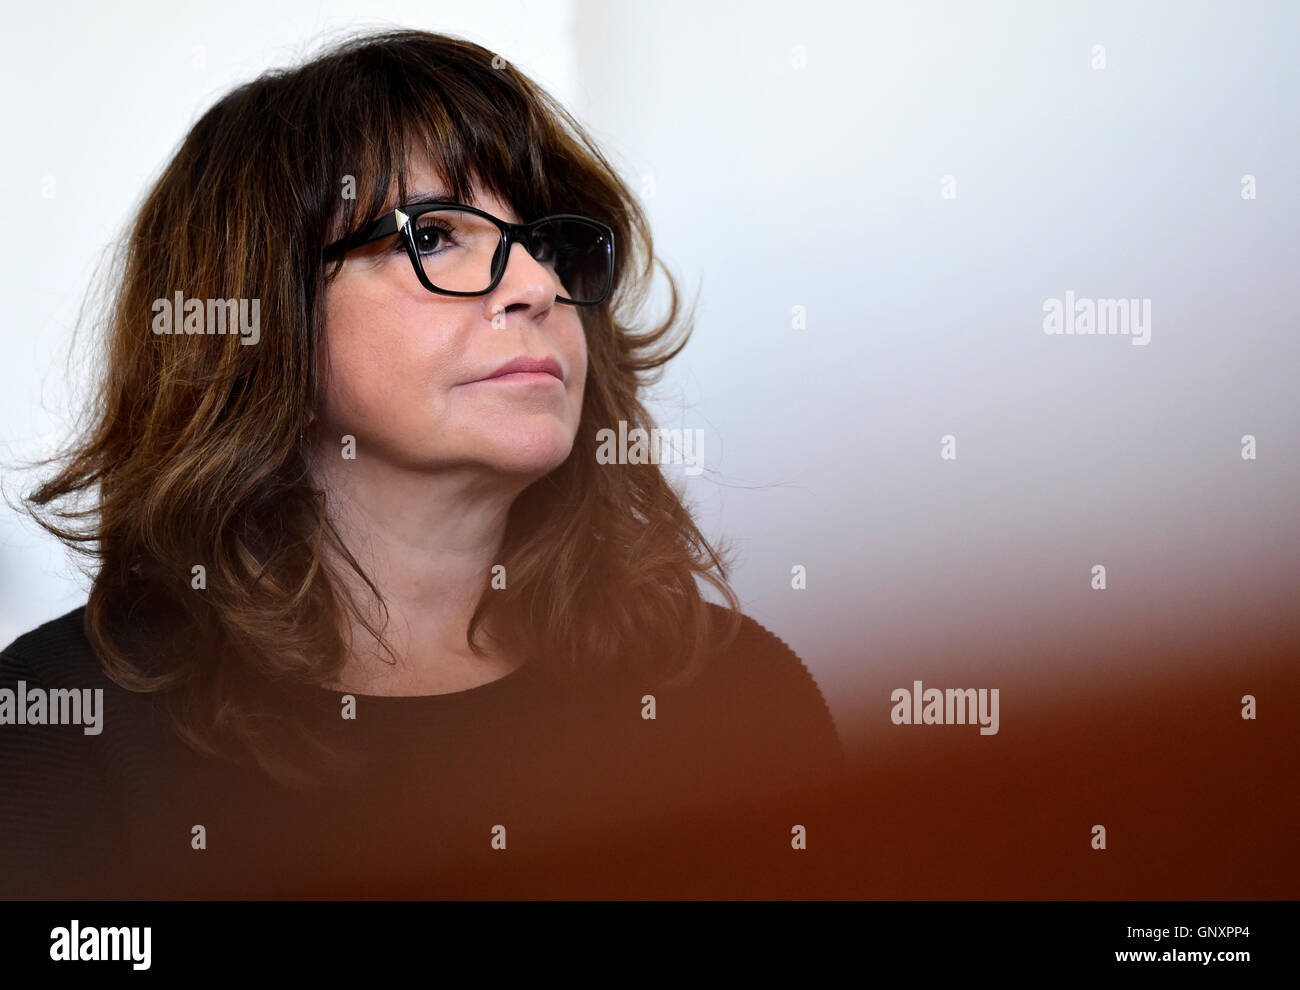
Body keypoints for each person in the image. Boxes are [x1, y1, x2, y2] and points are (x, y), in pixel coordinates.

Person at [0, 28, 844, 899]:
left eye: (550, 243)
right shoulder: (62, 729)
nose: (538, 288)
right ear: (257, 311)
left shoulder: (733, 695)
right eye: (435, 235)